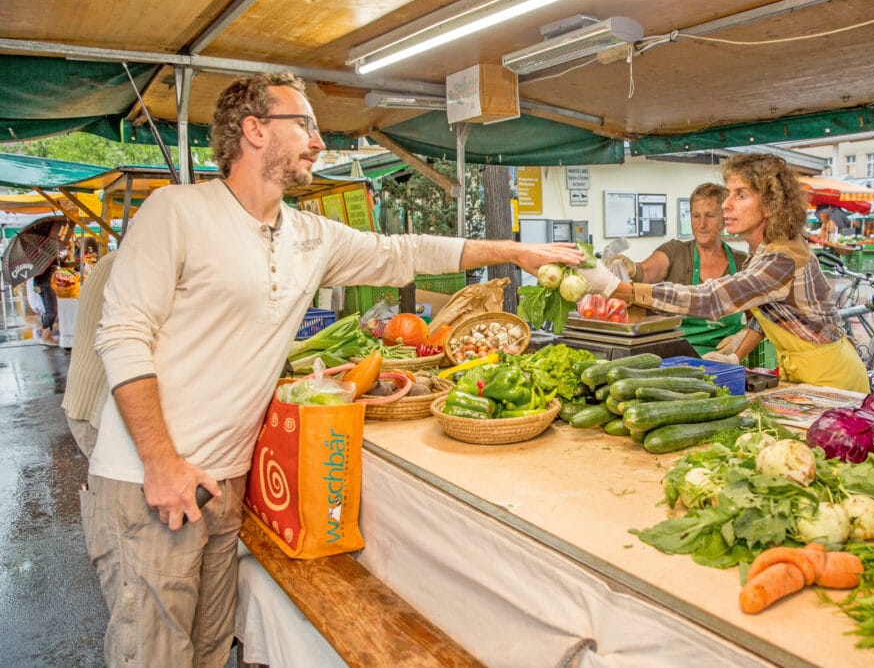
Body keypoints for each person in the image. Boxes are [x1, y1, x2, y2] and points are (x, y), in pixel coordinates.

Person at [83, 71, 583, 666]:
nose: (320, 142)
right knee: (153, 654)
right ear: (254, 130)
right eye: (305, 125)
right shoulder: (177, 212)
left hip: (226, 480)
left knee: (212, 649)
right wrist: (161, 462)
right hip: (151, 478)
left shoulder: (308, 235)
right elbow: (121, 334)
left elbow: (404, 253)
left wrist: (514, 251)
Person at [581, 153, 869, 394]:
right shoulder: (765, 251)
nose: (726, 204)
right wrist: (735, 353)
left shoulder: (782, 257)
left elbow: (711, 300)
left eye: (740, 195)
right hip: (806, 376)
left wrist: (616, 287)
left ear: (769, 206)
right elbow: (777, 311)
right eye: (728, 194)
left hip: (833, 382)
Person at [609, 183, 748, 355]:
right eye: (696, 216)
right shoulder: (676, 252)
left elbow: (760, 317)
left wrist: (742, 336)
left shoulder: (742, 263)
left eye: (710, 216)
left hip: (724, 359)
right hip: (676, 356)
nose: (701, 224)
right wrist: (633, 269)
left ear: (724, 218)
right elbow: (647, 272)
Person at [61, 250, 116, 458]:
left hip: (86, 399)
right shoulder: (128, 265)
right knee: (107, 486)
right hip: (95, 407)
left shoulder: (113, 260)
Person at [34, 258, 60, 345]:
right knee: (52, 312)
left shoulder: (40, 257)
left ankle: (50, 337)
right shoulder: (44, 257)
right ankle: (44, 338)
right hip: (45, 285)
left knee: (50, 311)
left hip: (42, 284)